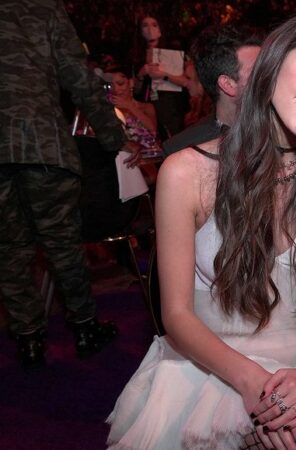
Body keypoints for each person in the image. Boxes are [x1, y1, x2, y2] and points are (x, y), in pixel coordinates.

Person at [107, 11, 296, 450]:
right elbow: (176, 315)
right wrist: (255, 386)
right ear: (273, 63)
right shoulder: (187, 172)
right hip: (212, 367)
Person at [0, 0, 141, 368]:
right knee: (62, 243)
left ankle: (29, 340)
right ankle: (84, 329)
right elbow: (80, 80)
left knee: (9, 248)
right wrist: (114, 137)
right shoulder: (44, 9)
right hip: (43, 145)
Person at [163, 24, 263, 155]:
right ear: (228, 84)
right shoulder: (181, 151)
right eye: (258, 71)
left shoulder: (285, 128)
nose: (272, 75)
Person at [134, 15, 202, 139]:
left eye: (154, 25)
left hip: (171, 106)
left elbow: (186, 82)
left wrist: (164, 75)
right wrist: (141, 74)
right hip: (147, 105)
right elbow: (136, 90)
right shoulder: (137, 56)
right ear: (140, 31)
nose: (150, 29)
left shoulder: (171, 51)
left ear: (160, 30)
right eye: (145, 25)